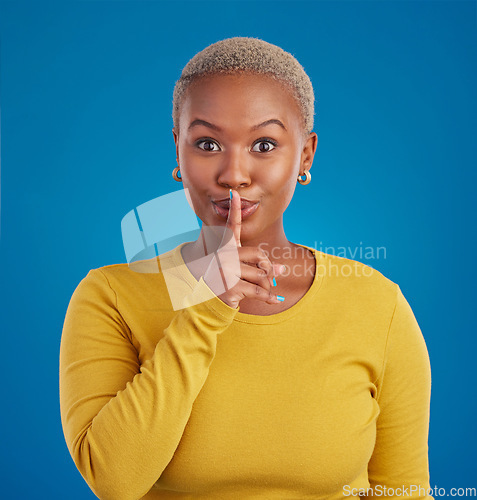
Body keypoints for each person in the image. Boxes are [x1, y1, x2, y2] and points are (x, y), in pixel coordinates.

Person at [59, 37, 434, 499]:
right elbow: (113, 481)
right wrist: (207, 309)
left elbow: (404, 491)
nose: (234, 173)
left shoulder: (377, 305)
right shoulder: (112, 296)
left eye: (263, 144)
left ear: (306, 155)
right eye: (207, 143)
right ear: (178, 149)